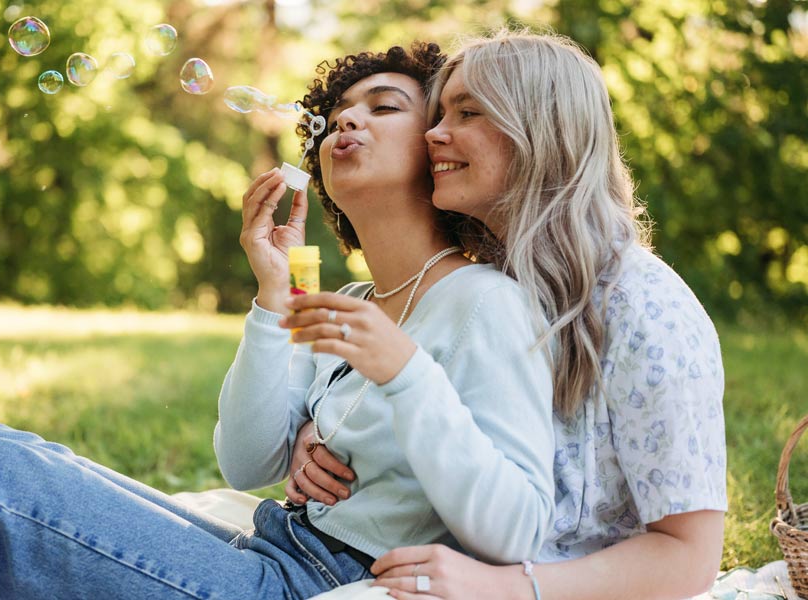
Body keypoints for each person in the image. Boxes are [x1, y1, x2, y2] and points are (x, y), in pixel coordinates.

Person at [0, 43, 555, 599]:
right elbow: (247, 461)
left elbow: (517, 526)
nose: (344, 122)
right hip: (271, 545)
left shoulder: (483, 300)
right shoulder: (354, 302)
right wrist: (273, 295)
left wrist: (408, 374)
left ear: (437, 152)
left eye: (383, 106)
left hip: (315, 584)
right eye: (333, 118)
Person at [288, 29, 727, 600]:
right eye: (440, 112)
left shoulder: (645, 306)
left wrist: (511, 587)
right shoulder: (498, 278)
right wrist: (322, 429)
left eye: (467, 112)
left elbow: (690, 558)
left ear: (542, 130)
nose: (435, 134)